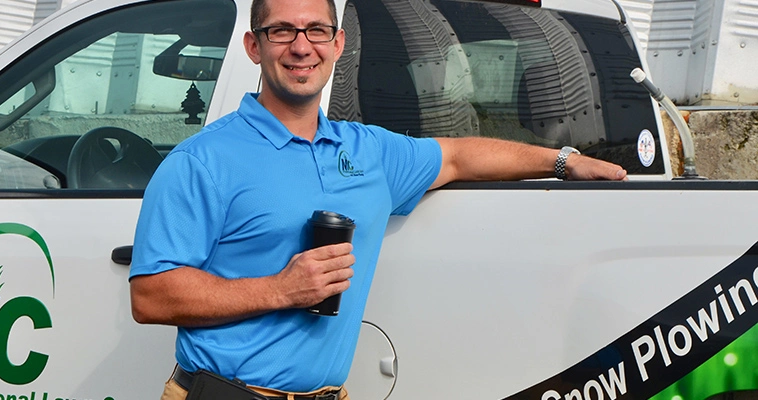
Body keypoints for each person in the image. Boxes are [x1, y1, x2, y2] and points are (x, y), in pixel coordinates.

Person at [129, 0, 628, 398]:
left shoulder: (367, 150)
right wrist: (280, 290)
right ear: (253, 47)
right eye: (281, 30)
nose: (301, 46)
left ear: (338, 43)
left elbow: (457, 156)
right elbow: (149, 295)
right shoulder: (201, 161)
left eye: (316, 30)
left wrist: (565, 161)